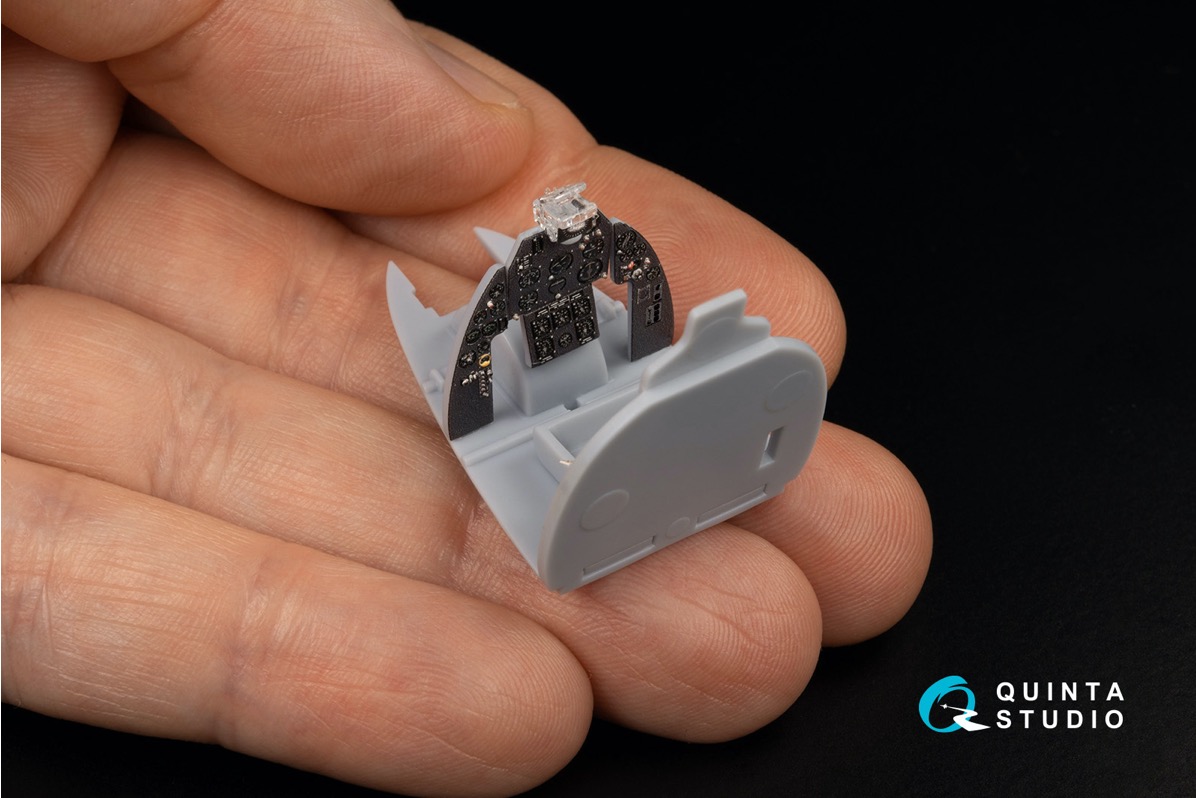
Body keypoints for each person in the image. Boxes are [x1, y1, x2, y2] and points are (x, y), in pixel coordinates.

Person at [1, 2, 932, 795]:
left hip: (594, 372)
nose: (577, 244)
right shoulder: (521, 283)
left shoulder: (606, 253)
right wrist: (479, 420)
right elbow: (488, 340)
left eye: (580, 236)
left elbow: (641, 286)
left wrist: (654, 357)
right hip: (539, 391)